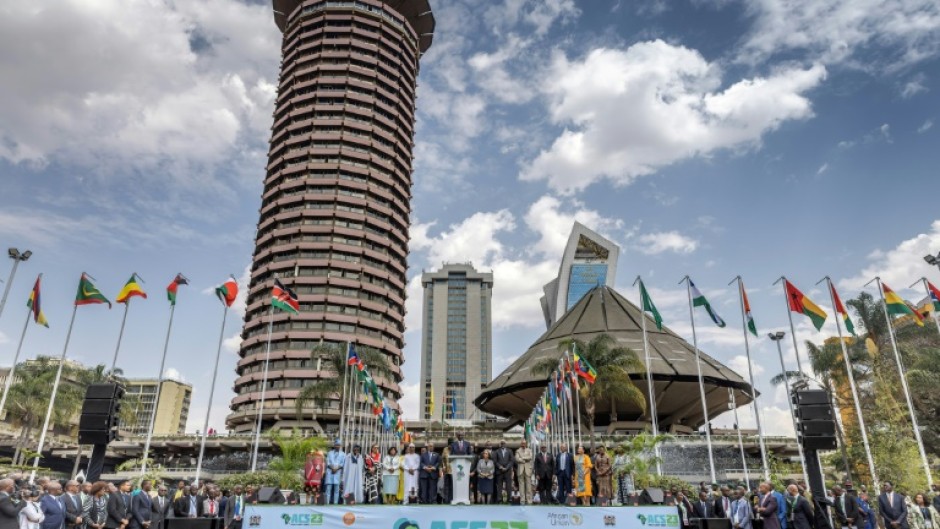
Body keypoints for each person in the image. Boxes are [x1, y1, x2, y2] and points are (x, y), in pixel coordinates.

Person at [324, 441, 346, 506]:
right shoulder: (329, 453)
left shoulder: (343, 454)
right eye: (336, 445)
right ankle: (327, 503)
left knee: (336, 490)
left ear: (340, 446)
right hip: (330, 472)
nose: (337, 446)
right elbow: (327, 462)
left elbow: (342, 463)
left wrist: (336, 469)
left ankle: (335, 504)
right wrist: (332, 468)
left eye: (338, 445)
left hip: (337, 473)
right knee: (328, 489)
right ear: (334, 445)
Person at [515, 440, 533, 505]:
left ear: (526, 444)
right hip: (520, 470)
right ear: (521, 444)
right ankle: (522, 501)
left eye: (524, 443)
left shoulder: (529, 450)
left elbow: (530, 457)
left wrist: (522, 457)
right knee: (521, 486)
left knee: (528, 486)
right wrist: (523, 460)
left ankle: (529, 501)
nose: (523, 444)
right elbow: (517, 458)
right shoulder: (518, 450)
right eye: (522, 443)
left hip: (528, 469)